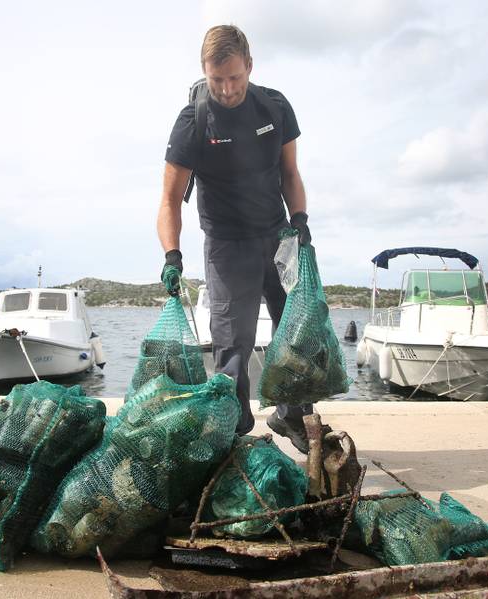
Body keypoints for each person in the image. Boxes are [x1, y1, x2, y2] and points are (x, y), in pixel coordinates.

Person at [156, 24, 319, 453]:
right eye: (217, 80)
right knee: (232, 346)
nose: (227, 89)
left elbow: (290, 173)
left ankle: (292, 415)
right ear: (204, 71)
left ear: (249, 65)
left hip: (277, 236)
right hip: (227, 245)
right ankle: (234, 432)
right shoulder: (193, 122)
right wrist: (172, 256)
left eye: (234, 77)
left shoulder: (274, 107)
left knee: (297, 332)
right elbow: (170, 200)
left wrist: (300, 219)